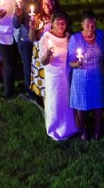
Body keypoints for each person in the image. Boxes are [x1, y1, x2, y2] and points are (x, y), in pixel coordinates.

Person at [40, 12, 79, 141]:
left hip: (66, 74)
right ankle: (54, 128)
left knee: (66, 102)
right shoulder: (46, 38)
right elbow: (43, 61)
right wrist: (48, 55)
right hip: (53, 76)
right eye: (58, 23)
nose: (61, 25)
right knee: (55, 102)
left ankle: (69, 126)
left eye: (63, 23)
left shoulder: (69, 38)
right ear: (53, 24)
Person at [68, 10, 104, 142]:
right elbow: (70, 62)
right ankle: (83, 129)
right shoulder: (75, 38)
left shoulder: (100, 35)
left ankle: (97, 128)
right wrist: (76, 64)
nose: (91, 28)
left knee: (98, 105)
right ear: (82, 25)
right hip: (81, 77)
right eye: (87, 25)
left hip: (97, 75)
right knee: (82, 105)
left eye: (93, 25)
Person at [29, 0, 60, 102]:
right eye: (44, 3)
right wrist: (32, 28)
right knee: (44, 80)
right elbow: (32, 39)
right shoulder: (38, 18)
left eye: (50, 3)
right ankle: (46, 104)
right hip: (40, 54)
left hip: (56, 53)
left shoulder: (60, 19)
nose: (47, 6)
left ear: (55, 4)